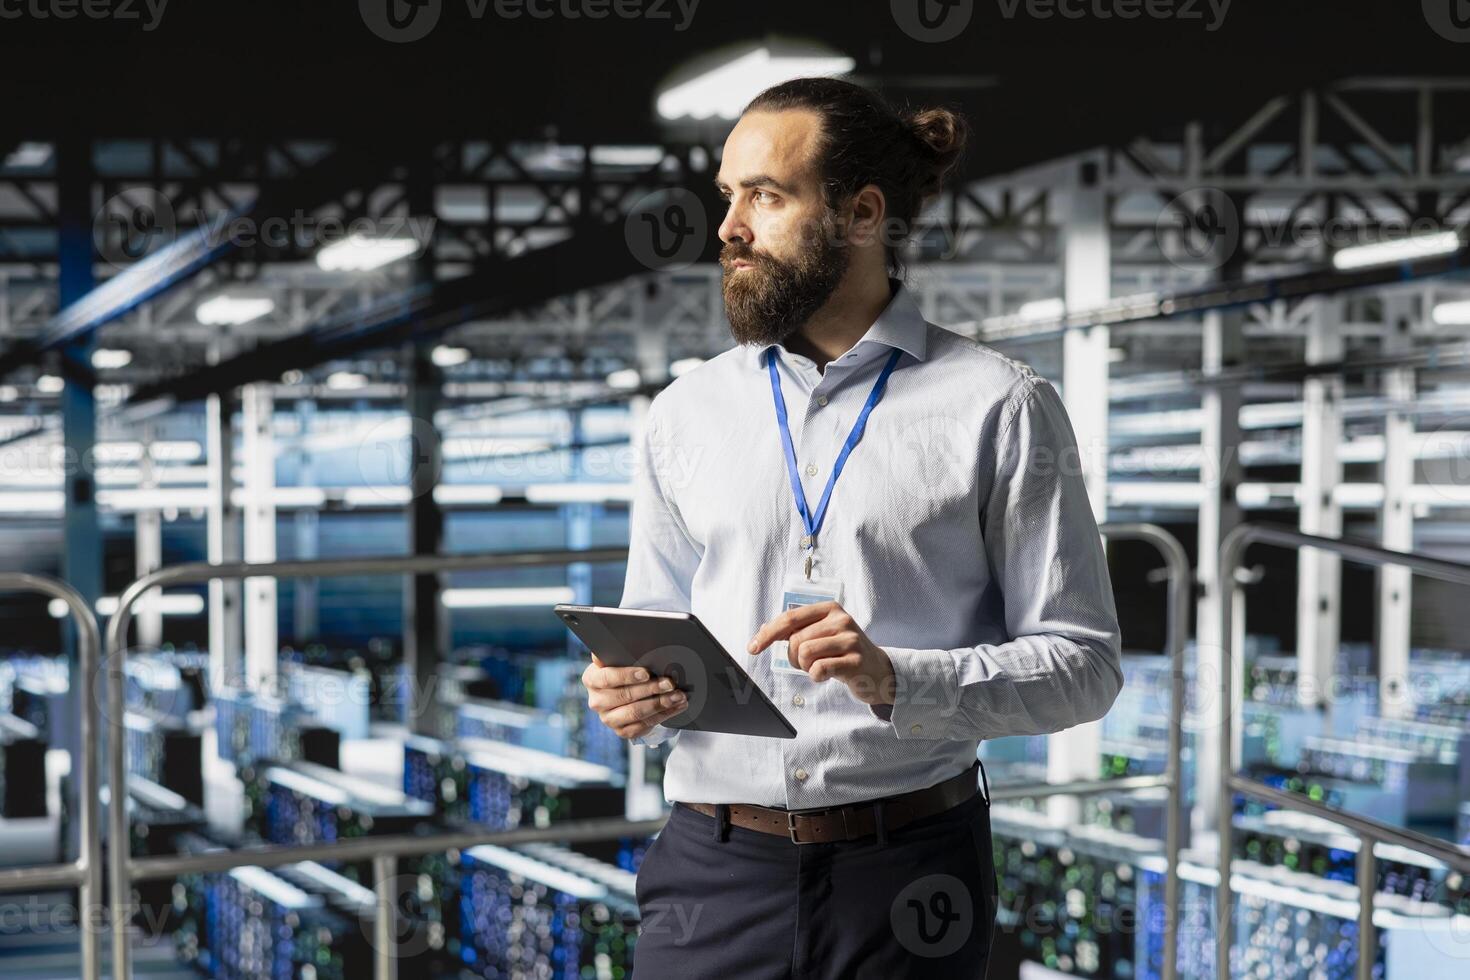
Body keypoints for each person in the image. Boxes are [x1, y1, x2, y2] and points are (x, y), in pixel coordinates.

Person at [581, 76, 1123, 980]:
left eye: (766, 195)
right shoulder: (686, 412)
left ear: (863, 214)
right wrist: (630, 694)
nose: (728, 230)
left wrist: (897, 679)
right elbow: (655, 628)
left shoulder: (998, 406)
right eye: (729, 196)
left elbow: (1085, 667)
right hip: (710, 876)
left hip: (908, 873)